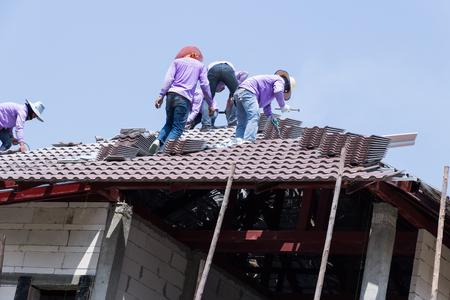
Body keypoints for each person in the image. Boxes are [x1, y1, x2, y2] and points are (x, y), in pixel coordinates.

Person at [149, 46, 216, 155]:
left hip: (170, 95)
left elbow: (169, 78)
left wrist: (161, 95)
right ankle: (163, 151)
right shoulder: (200, 66)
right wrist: (210, 103)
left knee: (169, 123)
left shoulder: (176, 62)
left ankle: (159, 140)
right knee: (178, 128)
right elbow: (204, 85)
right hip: (183, 98)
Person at [233, 70, 296, 140]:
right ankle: (248, 140)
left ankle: (238, 142)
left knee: (242, 122)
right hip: (249, 92)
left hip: (239, 93)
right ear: (286, 86)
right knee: (254, 117)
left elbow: (266, 104)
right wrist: (283, 106)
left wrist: (270, 117)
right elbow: (278, 91)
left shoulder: (270, 86)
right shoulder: (280, 80)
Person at [200, 61, 248, 131]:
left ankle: (205, 125)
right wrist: (237, 87)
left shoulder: (212, 82)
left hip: (213, 69)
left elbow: (204, 84)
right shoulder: (225, 81)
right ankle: (232, 123)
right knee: (237, 96)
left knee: (207, 99)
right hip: (227, 68)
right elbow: (245, 73)